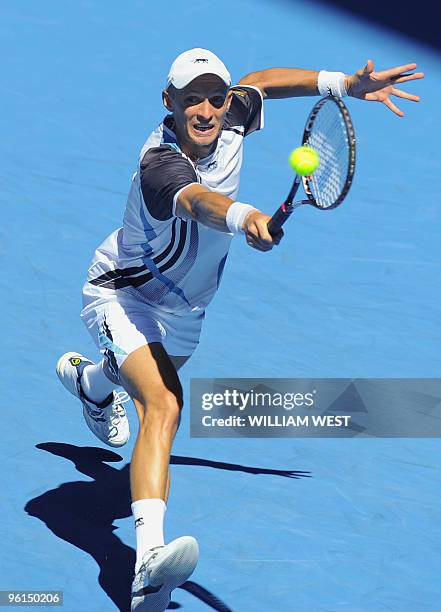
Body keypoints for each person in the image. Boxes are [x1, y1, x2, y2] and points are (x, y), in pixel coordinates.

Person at [56, 49, 423, 611]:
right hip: (124, 292)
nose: (205, 110)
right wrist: (243, 216)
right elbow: (199, 201)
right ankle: (146, 561)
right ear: (168, 103)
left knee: (143, 376)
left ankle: (92, 385)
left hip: (185, 313)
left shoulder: (230, 110)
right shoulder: (160, 163)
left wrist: (343, 84)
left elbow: (260, 85)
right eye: (191, 99)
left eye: (214, 97)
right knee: (164, 404)